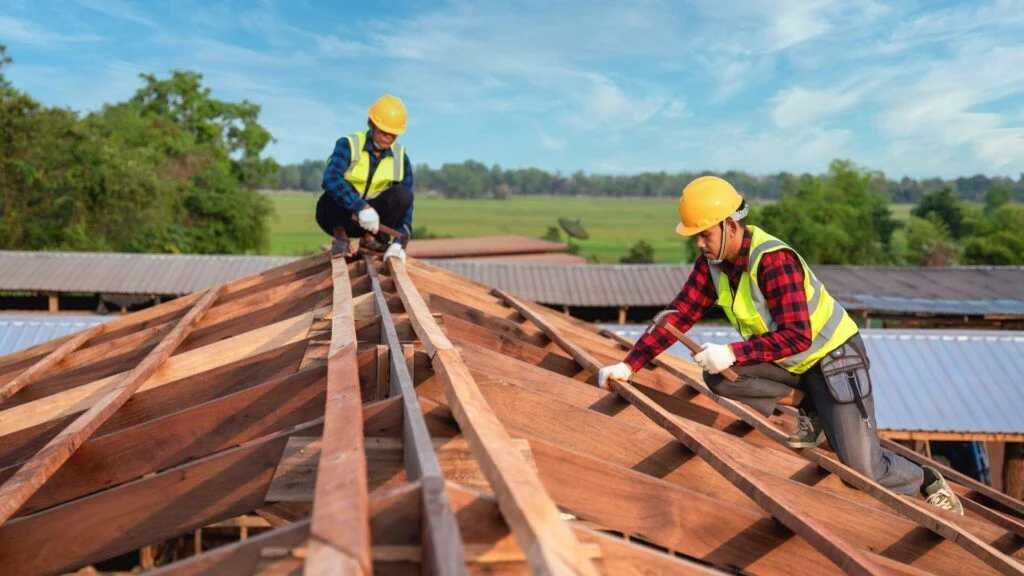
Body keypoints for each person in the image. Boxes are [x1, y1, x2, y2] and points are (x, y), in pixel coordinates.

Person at [597, 175, 964, 515]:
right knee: (720, 377)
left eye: (704, 234)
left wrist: (734, 351)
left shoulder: (773, 260)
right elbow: (678, 315)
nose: (699, 243)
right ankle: (814, 409)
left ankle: (925, 478)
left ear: (730, 225)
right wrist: (629, 365)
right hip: (794, 364)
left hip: (835, 359)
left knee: (861, 469)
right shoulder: (712, 263)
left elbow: (797, 336)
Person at [317, 94, 414, 262]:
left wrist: (399, 242)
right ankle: (341, 239)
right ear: (371, 124)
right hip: (341, 217)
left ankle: (372, 242)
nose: (387, 137)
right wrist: (360, 207)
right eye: (383, 130)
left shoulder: (401, 158)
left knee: (403, 195)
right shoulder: (349, 144)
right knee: (334, 191)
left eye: (393, 133)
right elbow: (330, 178)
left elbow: (406, 207)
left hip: (375, 226)